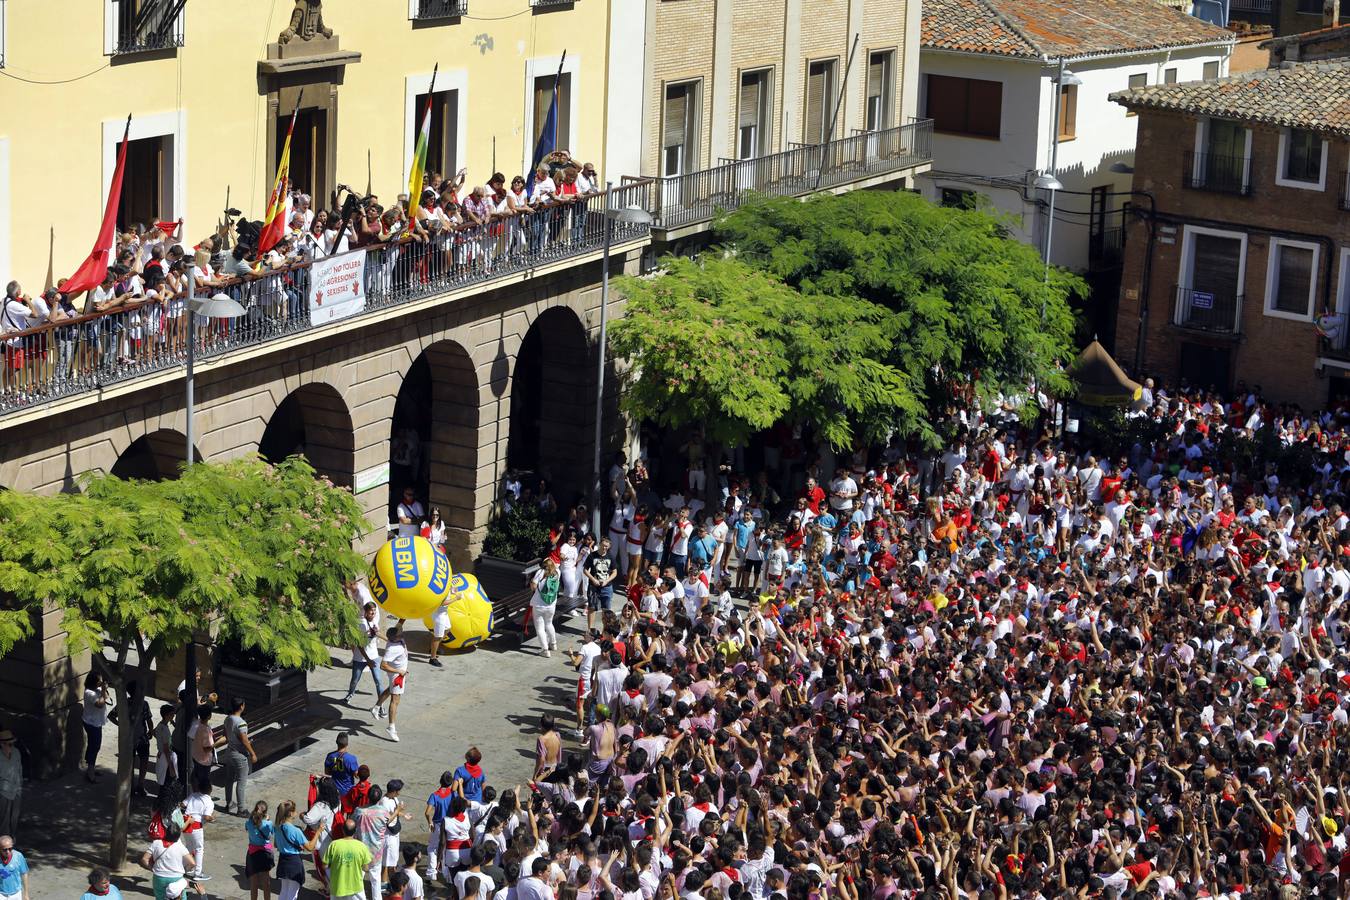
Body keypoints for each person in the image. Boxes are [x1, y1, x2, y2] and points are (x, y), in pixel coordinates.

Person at [274, 799, 322, 900]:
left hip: (283, 862)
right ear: (291, 813)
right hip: (294, 863)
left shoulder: (277, 827)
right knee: (293, 894)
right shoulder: (295, 830)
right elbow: (310, 847)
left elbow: (276, 845)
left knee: (284, 891)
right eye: (295, 810)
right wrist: (318, 832)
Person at [343, 596, 385, 703]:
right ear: (366, 612)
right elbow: (360, 646)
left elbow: (378, 634)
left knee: (379, 682)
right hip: (360, 658)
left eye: (374, 612)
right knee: (355, 680)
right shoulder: (361, 624)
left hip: (374, 656)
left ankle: (380, 705)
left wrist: (390, 640)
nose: (373, 614)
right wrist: (368, 660)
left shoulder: (374, 622)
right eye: (371, 612)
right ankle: (350, 694)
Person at [221, 696, 259, 815]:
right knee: (241, 782)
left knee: (229, 779)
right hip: (239, 755)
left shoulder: (227, 719)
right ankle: (241, 809)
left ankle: (229, 803)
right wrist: (252, 753)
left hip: (229, 752)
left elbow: (226, 735)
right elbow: (244, 739)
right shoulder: (241, 723)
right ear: (241, 706)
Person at [141, 821, 195, 900]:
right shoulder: (180, 846)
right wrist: (185, 869)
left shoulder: (156, 843)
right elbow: (192, 863)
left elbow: (144, 859)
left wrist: (152, 868)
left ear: (166, 832)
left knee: (160, 898)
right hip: (176, 877)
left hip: (159, 877)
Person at [372, 626, 409, 742]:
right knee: (395, 701)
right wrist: (399, 671)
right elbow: (383, 665)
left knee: (389, 690)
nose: (402, 634)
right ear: (396, 638)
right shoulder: (392, 648)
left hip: (398, 673)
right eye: (400, 634)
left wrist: (377, 633)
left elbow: (388, 638)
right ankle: (391, 727)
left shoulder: (395, 640)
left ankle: (376, 707)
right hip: (397, 676)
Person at [321, 819, 372, 900]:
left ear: (343, 830)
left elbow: (324, 866)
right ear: (355, 831)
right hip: (356, 888)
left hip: (337, 887)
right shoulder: (362, 846)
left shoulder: (333, 845)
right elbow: (366, 868)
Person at [181, 772, 214, 882]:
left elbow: (182, 804)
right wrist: (212, 819)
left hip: (186, 824)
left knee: (188, 847)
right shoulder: (209, 801)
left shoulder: (193, 795)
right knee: (199, 849)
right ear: (210, 789)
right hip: (196, 826)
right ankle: (198, 873)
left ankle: (187, 867)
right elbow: (207, 816)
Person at [81, 672, 109, 783]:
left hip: (97, 722)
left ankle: (90, 766)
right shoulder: (89, 693)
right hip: (92, 723)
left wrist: (103, 690)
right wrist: (103, 691)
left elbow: (106, 697)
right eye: (99, 681)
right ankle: (90, 772)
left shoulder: (97, 690)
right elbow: (100, 704)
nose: (101, 682)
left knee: (93, 745)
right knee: (95, 746)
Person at [583, 537, 616, 632]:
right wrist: (593, 579)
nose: (605, 548)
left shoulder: (611, 556)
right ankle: (590, 630)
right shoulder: (592, 556)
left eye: (607, 546)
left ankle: (605, 630)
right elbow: (585, 570)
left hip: (607, 586)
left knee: (606, 610)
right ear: (600, 544)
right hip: (594, 586)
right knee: (592, 607)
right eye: (603, 545)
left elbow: (614, 572)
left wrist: (607, 580)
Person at [529, 559, 561, 658]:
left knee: (540, 628)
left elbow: (533, 586)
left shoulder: (540, 572)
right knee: (549, 623)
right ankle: (553, 644)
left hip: (539, 605)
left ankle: (545, 650)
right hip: (551, 605)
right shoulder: (557, 573)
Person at [244, 801, 275, 900]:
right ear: (265, 812)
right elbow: (271, 834)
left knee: (254, 883)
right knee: (266, 883)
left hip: (252, 853)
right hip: (265, 854)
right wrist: (267, 820)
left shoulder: (248, 822)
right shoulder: (268, 823)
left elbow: (247, 828)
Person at [323, 733, 359, 798]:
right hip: (347, 791)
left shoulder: (330, 756)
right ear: (347, 744)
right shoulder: (351, 759)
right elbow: (357, 776)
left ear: (336, 742)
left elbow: (327, 773)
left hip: (333, 789)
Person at [0, 733, 19, 840]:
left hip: (16, 790)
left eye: (13, 744)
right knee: (4, 817)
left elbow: (19, 769)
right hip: (3, 791)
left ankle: (12, 838)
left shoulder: (16, 753)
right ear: (2, 744)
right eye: (9, 744)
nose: (12, 746)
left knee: (14, 816)